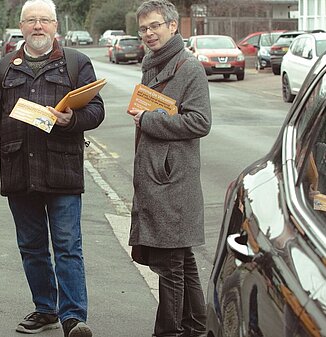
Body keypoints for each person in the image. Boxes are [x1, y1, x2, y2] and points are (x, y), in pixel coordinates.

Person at [0, 0, 104, 336]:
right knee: (31, 246)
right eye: (31, 20)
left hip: (62, 169)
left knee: (67, 246)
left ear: (55, 25)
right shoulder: (3, 69)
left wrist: (73, 118)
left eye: (44, 20)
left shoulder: (75, 63)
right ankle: (45, 308)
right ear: (22, 25)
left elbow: (96, 112)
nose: (38, 26)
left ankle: (73, 318)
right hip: (19, 170)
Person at [126, 1, 211, 336]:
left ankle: (169, 332)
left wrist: (149, 119)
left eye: (155, 26)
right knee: (181, 256)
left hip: (173, 180)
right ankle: (195, 326)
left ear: (173, 26)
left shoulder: (189, 67)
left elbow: (201, 122)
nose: (149, 33)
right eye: (144, 28)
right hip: (158, 178)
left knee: (170, 263)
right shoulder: (154, 64)